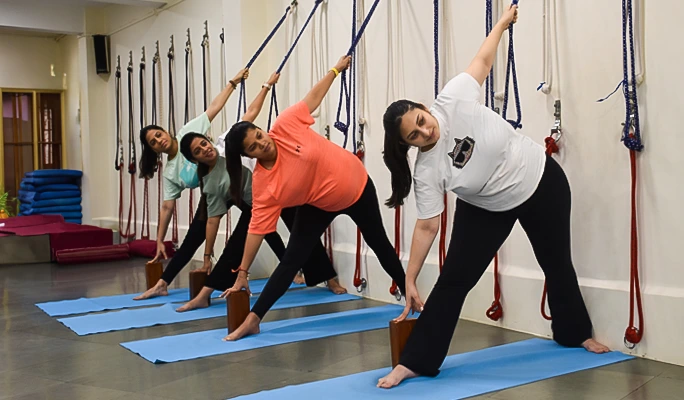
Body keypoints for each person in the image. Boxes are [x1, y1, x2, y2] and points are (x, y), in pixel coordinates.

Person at [376, 4, 609, 388]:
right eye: (413, 136)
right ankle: (416, 361)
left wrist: (501, 22)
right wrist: (410, 278)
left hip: (540, 179)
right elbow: (427, 226)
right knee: (454, 280)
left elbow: (482, 60)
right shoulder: (427, 170)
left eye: (421, 121)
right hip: (487, 205)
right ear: (407, 145)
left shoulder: (453, 98)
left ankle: (575, 333)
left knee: (556, 262)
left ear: (423, 107)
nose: (425, 132)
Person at [219, 54, 407, 341]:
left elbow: (313, 98)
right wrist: (242, 272)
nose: (262, 142)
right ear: (248, 156)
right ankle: (254, 319)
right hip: (318, 204)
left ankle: (412, 297)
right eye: (253, 147)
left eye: (258, 134)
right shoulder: (263, 184)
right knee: (292, 261)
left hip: (357, 187)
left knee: (380, 245)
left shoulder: (284, 125)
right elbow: (256, 229)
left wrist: (335, 70)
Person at [175, 132, 347, 311]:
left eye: (204, 143)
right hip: (257, 204)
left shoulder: (227, 147)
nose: (205, 149)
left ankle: (329, 279)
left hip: (279, 188)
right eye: (198, 151)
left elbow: (249, 116)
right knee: (236, 244)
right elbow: (212, 220)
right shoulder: (210, 182)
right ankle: (204, 295)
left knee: (304, 233)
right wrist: (206, 257)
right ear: (195, 160)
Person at [134, 68, 259, 300]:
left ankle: (297, 273)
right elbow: (167, 207)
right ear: (153, 149)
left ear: (166, 132)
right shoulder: (170, 172)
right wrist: (159, 239)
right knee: (192, 238)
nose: (159, 141)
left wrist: (233, 82)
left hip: (233, 180)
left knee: (262, 226)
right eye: (153, 142)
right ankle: (163, 283)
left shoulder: (187, 134)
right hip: (212, 191)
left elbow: (214, 108)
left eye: (159, 135)